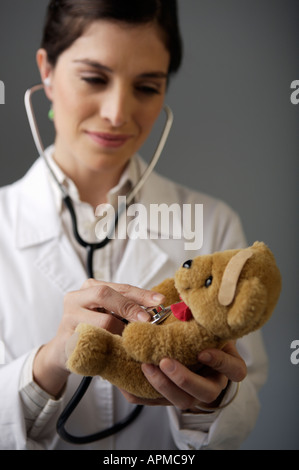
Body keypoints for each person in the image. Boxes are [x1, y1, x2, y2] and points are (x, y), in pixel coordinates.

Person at [0, 0, 268, 450]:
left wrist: (214, 403)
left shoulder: (214, 226)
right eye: (93, 78)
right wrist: (47, 365)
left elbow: (240, 409)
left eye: (146, 86)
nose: (118, 112)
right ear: (46, 70)